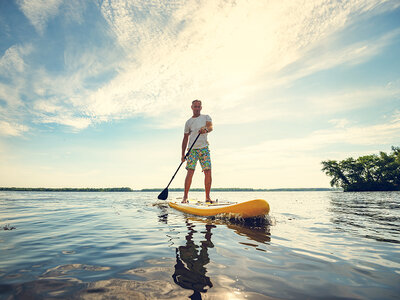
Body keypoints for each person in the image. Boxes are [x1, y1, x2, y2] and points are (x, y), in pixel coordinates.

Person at [181, 100, 214, 203]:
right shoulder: (188, 122)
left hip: (204, 148)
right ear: (192, 107)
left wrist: (205, 130)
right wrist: (182, 154)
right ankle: (185, 197)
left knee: (207, 171)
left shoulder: (206, 117)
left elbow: (210, 127)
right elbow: (185, 138)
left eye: (198, 107)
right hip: (192, 150)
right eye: (195, 106)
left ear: (201, 107)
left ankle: (207, 197)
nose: (197, 108)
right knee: (190, 172)